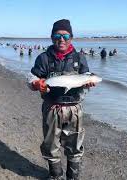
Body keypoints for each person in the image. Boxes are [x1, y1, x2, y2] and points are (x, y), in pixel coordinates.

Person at [28, 19, 96, 180]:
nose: (61, 39)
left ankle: (72, 177)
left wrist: (89, 83)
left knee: (75, 146)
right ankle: (55, 176)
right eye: (57, 35)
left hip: (75, 109)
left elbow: (86, 76)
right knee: (50, 144)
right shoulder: (44, 58)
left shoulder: (80, 58)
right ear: (52, 37)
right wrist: (37, 83)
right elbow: (31, 78)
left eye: (65, 36)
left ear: (71, 38)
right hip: (52, 108)